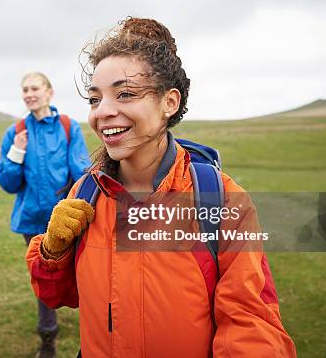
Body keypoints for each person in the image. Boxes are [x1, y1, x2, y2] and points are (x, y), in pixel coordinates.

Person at [26, 18, 297, 357]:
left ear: (169, 102)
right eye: (95, 99)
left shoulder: (220, 199)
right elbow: (60, 295)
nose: (103, 112)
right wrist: (54, 252)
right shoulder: (86, 193)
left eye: (125, 94)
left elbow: (252, 322)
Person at [0, 71, 91, 358]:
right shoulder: (15, 133)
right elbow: (8, 183)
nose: (29, 93)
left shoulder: (67, 127)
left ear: (49, 92)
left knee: (86, 274)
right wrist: (16, 153)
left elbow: (80, 172)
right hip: (33, 222)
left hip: (68, 221)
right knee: (45, 277)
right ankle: (47, 339)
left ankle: (97, 331)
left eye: (35, 88)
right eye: (24, 89)